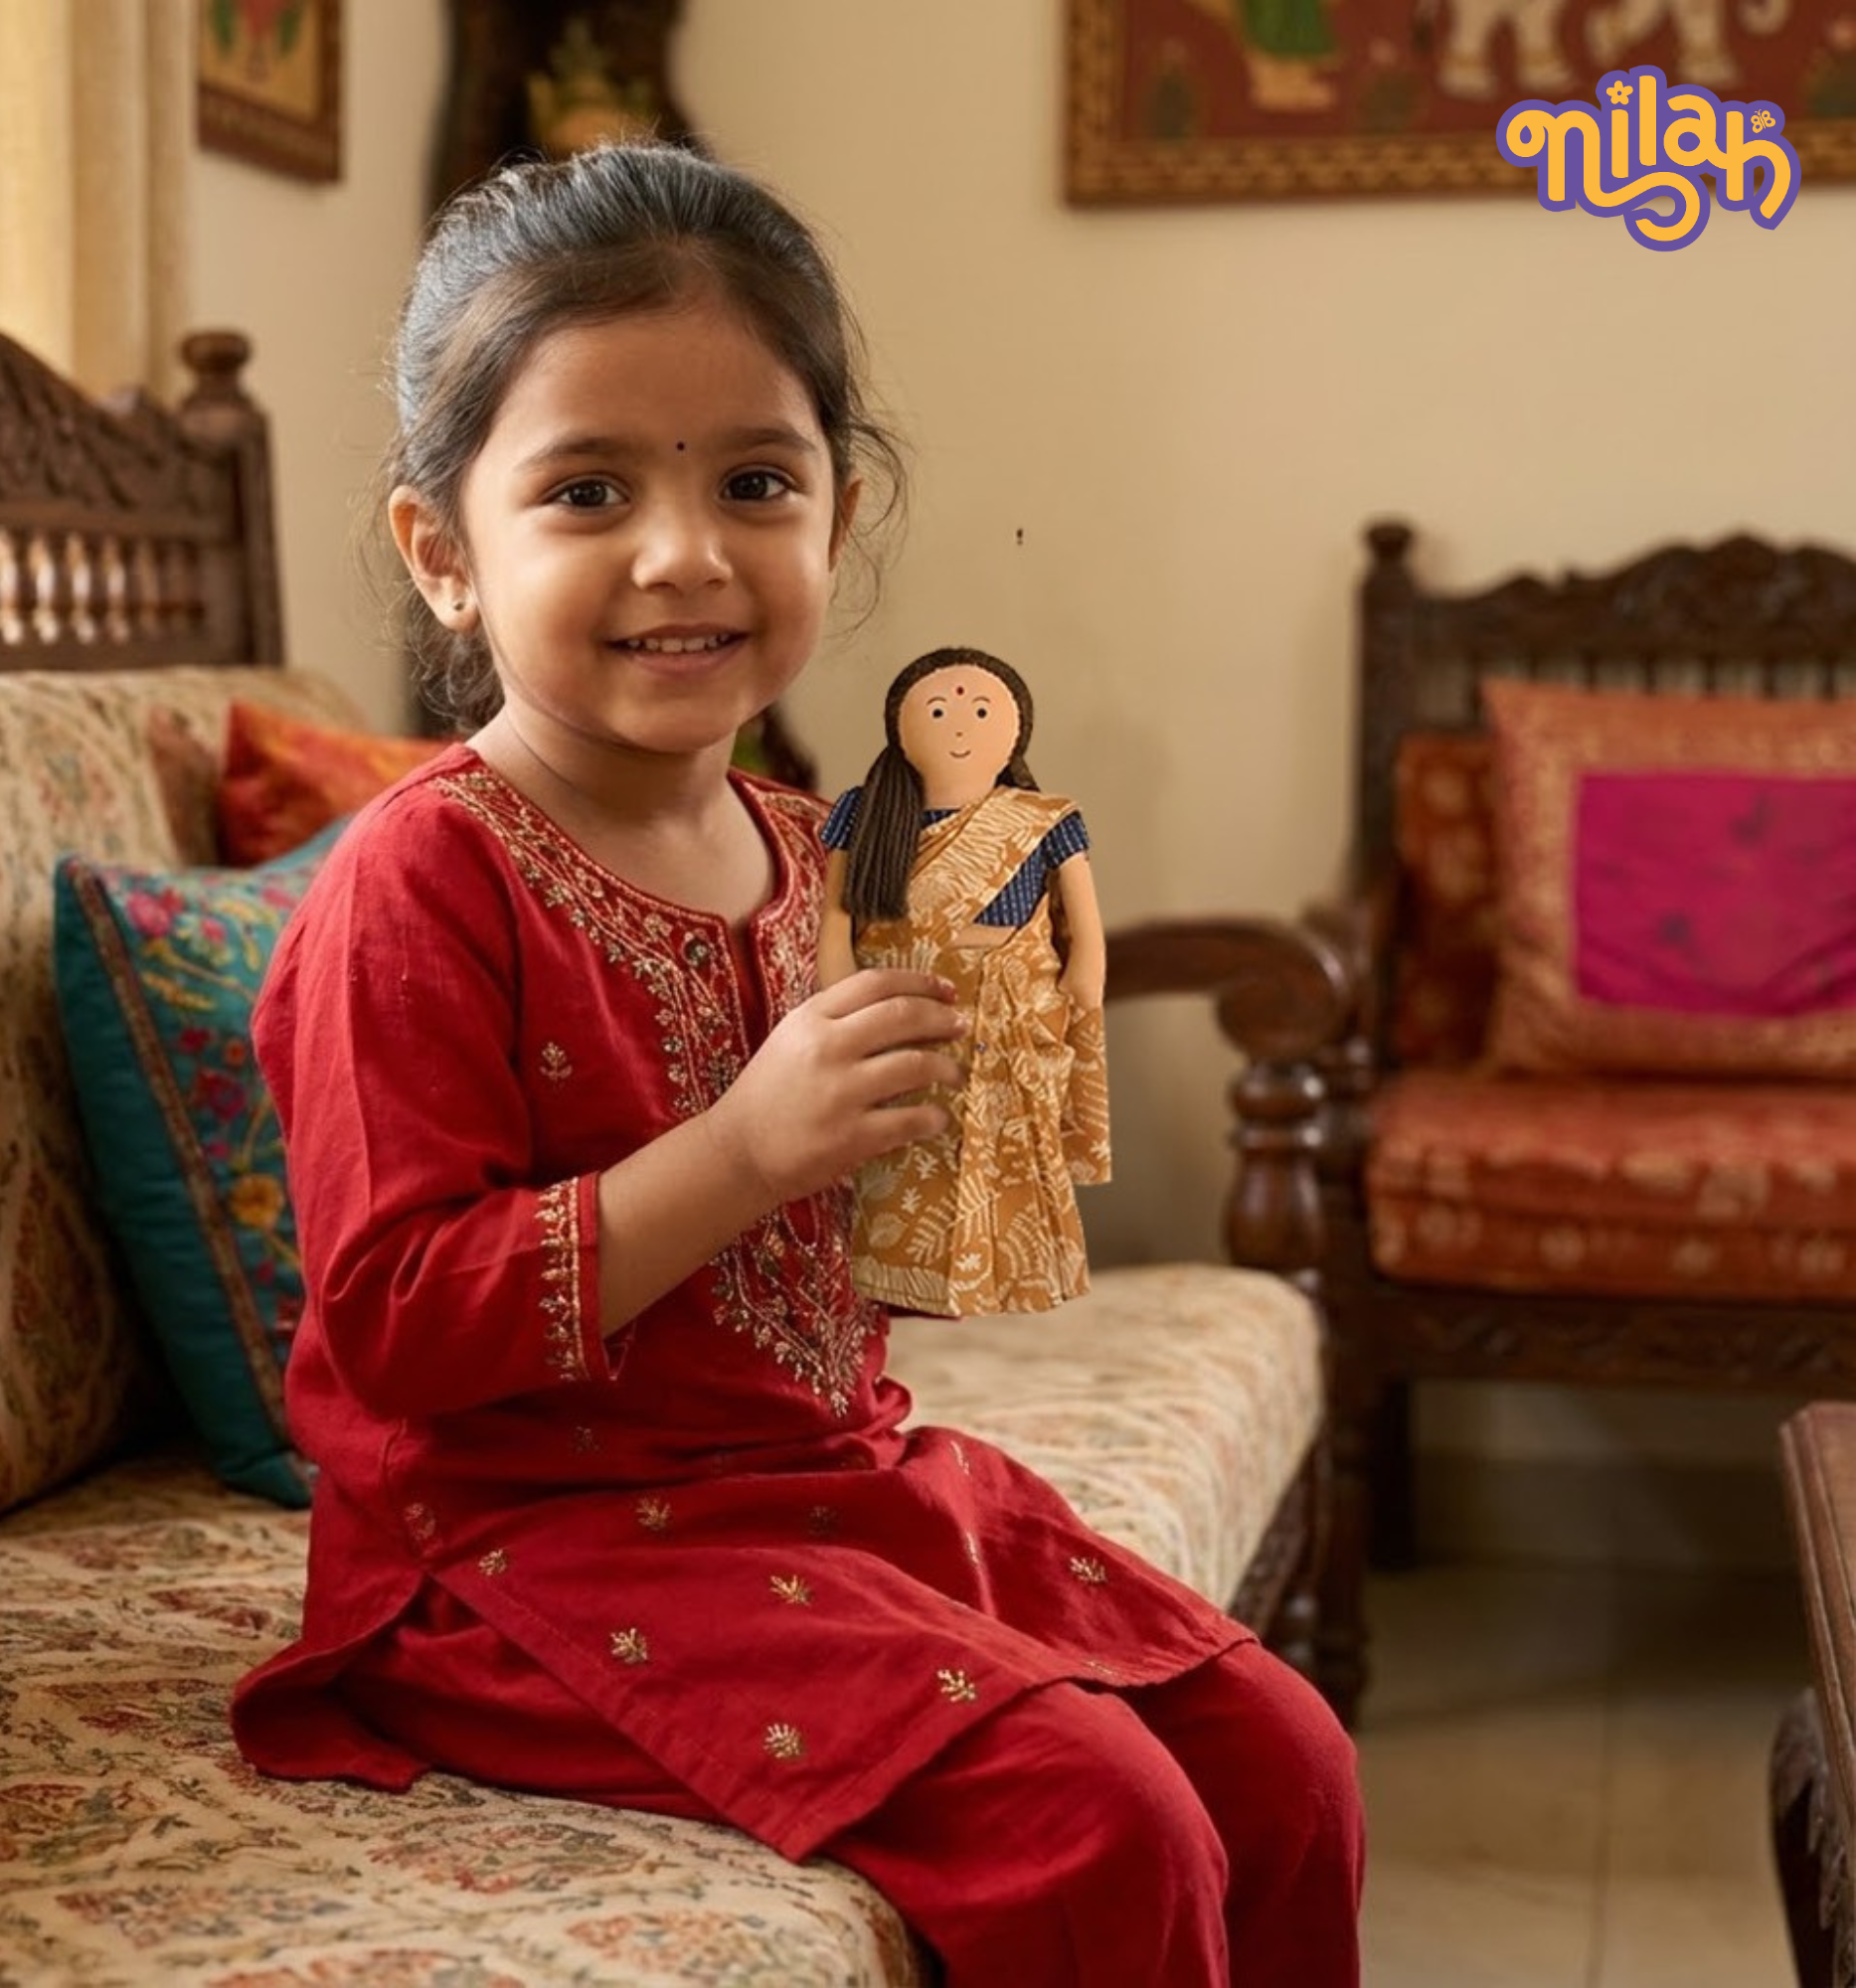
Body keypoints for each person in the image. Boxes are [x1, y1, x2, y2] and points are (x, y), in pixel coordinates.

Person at [230, 139, 1363, 1988]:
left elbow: (828, 1262)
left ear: (838, 516)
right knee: (1103, 1821)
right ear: (444, 555)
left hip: (825, 1490)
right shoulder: (418, 877)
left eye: (756, 481)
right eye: (586, 490)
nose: (687, 554)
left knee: (1282, 1761)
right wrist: (751, 1148)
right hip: (515, 1560)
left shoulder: (803, 839)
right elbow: (392, 1329)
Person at [819, 647, 1110, 1318]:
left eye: (981, 711)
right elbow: (836, 911)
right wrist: (836, 979)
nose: (960, 725)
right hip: (899, 997)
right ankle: (894, 1284)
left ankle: (1009, 1275)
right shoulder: (866, 811)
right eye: (941, 710)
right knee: (901, 1147)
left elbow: (1082, 919)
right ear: (900, 727)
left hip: (1010, 1005)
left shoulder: (1045, 818)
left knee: (1001, 1149)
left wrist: (1085, 971)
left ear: (1015, 732)